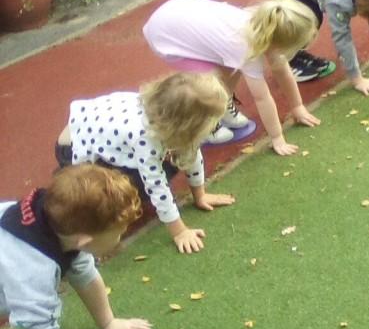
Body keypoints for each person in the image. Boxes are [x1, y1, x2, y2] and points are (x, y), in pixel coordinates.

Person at [0, 164, 152, 329]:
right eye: (118, 233)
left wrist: (108, 322)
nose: (121, 236)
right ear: (84, 240)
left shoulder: (55, 222)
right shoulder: (33, 271)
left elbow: (84, 273)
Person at [55, 72, 235, 254]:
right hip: (73, 150)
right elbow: (156, 186)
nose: (215, 126)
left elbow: (191, 152)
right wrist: (180, 232)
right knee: (124, 194)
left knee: (175, 161)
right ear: (185, 126)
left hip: (103, 139)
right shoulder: (145, 138)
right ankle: (66, 178)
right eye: (213, 122)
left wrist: (200, 195)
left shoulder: (165, 114)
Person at [144, 0, 321, 156]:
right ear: (278, 44)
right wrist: (277, 137)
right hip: (168, 38)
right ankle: (207, 123)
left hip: (179, 15)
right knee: (207, 85)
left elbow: (282, 69)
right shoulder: (245, 48)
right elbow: (262, 97)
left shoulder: (262, 23)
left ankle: (222, 105)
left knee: (232, 66)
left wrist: (297, 106)